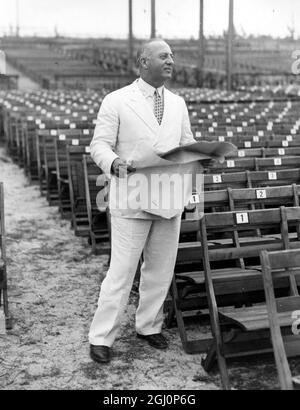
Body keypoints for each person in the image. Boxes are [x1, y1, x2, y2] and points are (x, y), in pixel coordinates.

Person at [88, 38, 199, 364]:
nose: (171, 61)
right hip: (132, 197)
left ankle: (148, 326)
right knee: (121, 272)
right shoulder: (117, 100)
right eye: (163, 56)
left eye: (172, 56)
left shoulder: (177, 103)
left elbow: (187, 144)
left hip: (169, 196)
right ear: (143, 62)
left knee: (160, 269)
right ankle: (101, 336)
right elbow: (99, 145)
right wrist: (114, 163)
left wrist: (199, 162)